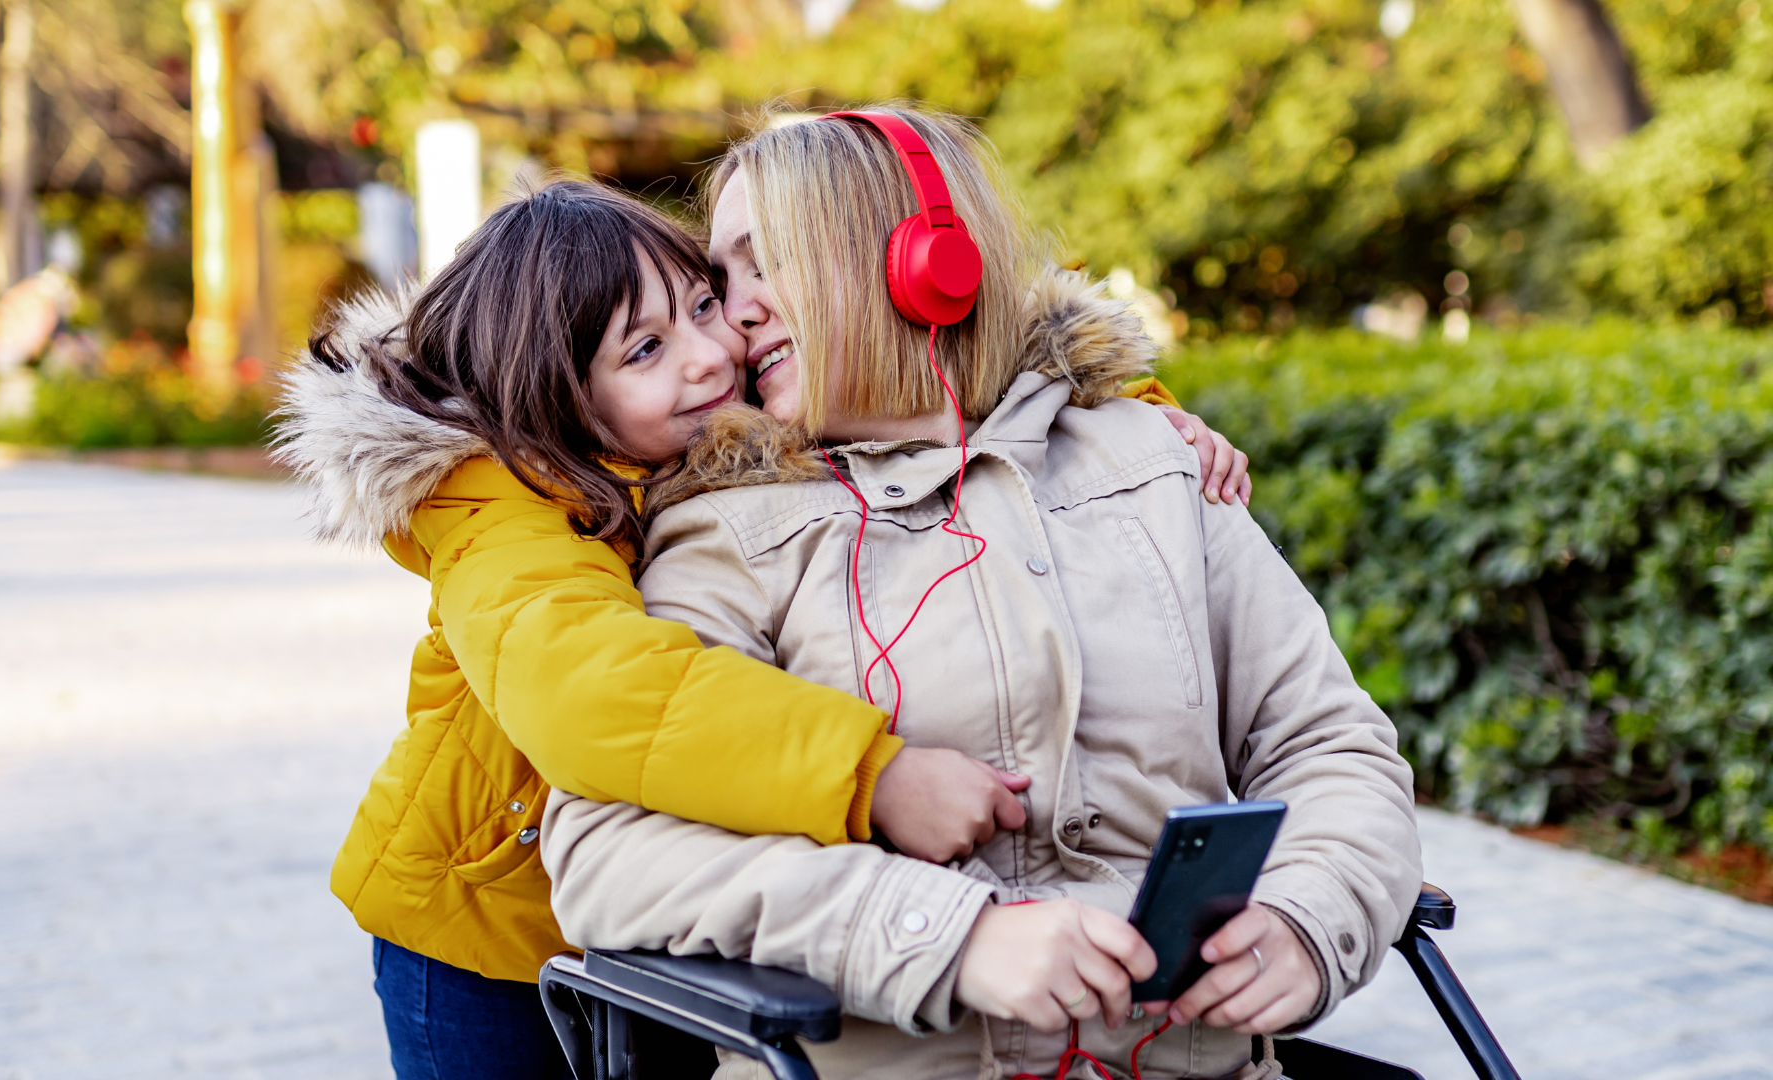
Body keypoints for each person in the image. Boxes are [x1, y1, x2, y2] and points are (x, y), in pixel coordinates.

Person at [275, 179, 1254, 1079]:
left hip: (689, 920)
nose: (710, 353)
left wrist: (1129, 409)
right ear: (555, 395)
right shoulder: (501, 510)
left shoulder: (718, 424)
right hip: (489, 932)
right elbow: (597, 693)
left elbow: (935, 366)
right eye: (644, 350)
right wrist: (875, 776)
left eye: (701, 306)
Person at [540, 108, 1421, 1080]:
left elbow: (1329, 744)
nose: (733, 312)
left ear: (924, 261)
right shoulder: (727, 530)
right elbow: (608, 853)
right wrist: (949, 938)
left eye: (764, 263)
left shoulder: (1155, 469)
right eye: (721, 278)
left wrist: (1311, 916)